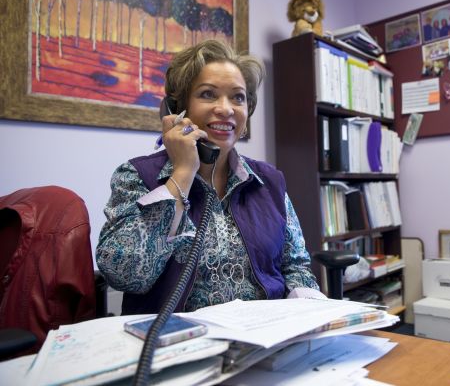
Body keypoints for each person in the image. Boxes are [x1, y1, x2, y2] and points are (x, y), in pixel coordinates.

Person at [96, 39, 323, 315]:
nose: (226, 108)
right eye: (208, 94)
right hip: (178, 345)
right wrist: (181, 174)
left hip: (263, 341)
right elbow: (126, 274)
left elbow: (295, 266)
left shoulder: (269, 182)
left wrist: (312, 314)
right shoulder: (137, 176)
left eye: (238, 97)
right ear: (178, 108)